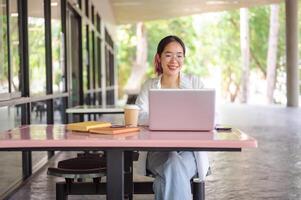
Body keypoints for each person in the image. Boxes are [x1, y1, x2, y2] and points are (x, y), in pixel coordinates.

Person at [135, 35, 210, 200]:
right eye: (168, 55)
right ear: (159, 58)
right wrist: (171, 118)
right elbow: (139, 116)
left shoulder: (195, 83)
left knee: (169, 172)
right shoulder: (149, 85)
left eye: (179, 55)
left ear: (184, 58)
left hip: (190, 151)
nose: (174, 60)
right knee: (173, 163)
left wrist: (163, 118)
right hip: (157, 150)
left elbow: (210, 115)